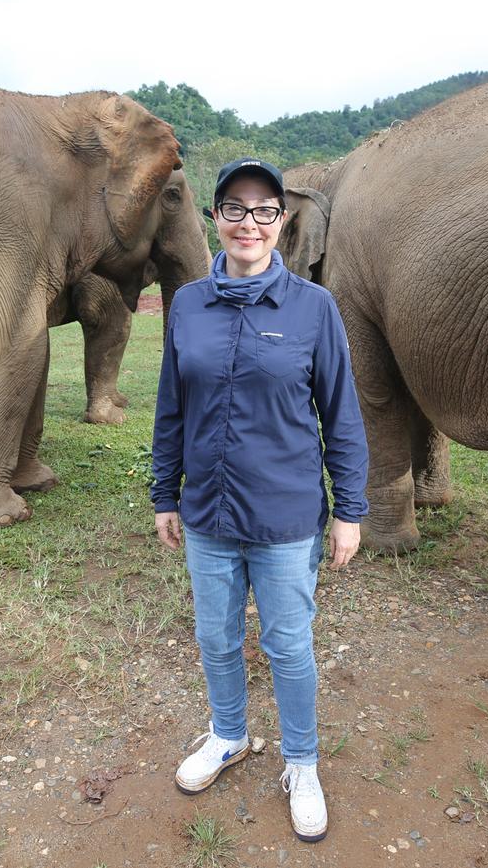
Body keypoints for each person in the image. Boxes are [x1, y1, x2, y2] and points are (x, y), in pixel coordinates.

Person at [151, 157, 368, 843]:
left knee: (287, 644)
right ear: (216, 217)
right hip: (209, 514)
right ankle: (228, 734)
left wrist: (350, 509)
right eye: (236, 208)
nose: (250, 222)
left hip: (285, 517)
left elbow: (342, 415)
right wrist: (164, 493)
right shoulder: (187, 304)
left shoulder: (313, 307)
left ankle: (301, 761)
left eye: (265, 210)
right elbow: (170, 409)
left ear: (282, 222)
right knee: (215, 636)